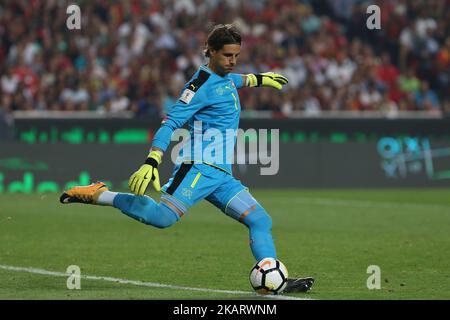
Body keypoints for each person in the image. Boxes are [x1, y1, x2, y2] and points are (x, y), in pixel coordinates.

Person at [60, 24, 314, 294]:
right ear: (211, 52)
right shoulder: (199, 85)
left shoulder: (226, 77)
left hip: (221, 176)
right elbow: (169, 123)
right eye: (227, 55)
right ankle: (100, 194)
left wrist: (259, 78)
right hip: (198, 167)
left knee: (260, 221)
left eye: (237, 55)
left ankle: (277, 281)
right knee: (162, 217)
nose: (233, 61)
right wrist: (152, 160)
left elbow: (235, 81)